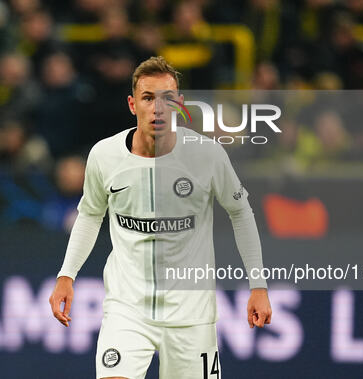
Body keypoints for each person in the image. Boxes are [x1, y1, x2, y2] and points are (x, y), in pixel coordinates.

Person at [49, 56, 272, 379]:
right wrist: (66, 275)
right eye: (148, 98)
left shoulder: (206, 155)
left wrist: (258, 285)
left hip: (191, 316)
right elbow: (89, 214)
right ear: (132, 104)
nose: (157, 108)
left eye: (167, 99)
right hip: (127, 311)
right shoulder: (105, 155)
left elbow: (241, 211)